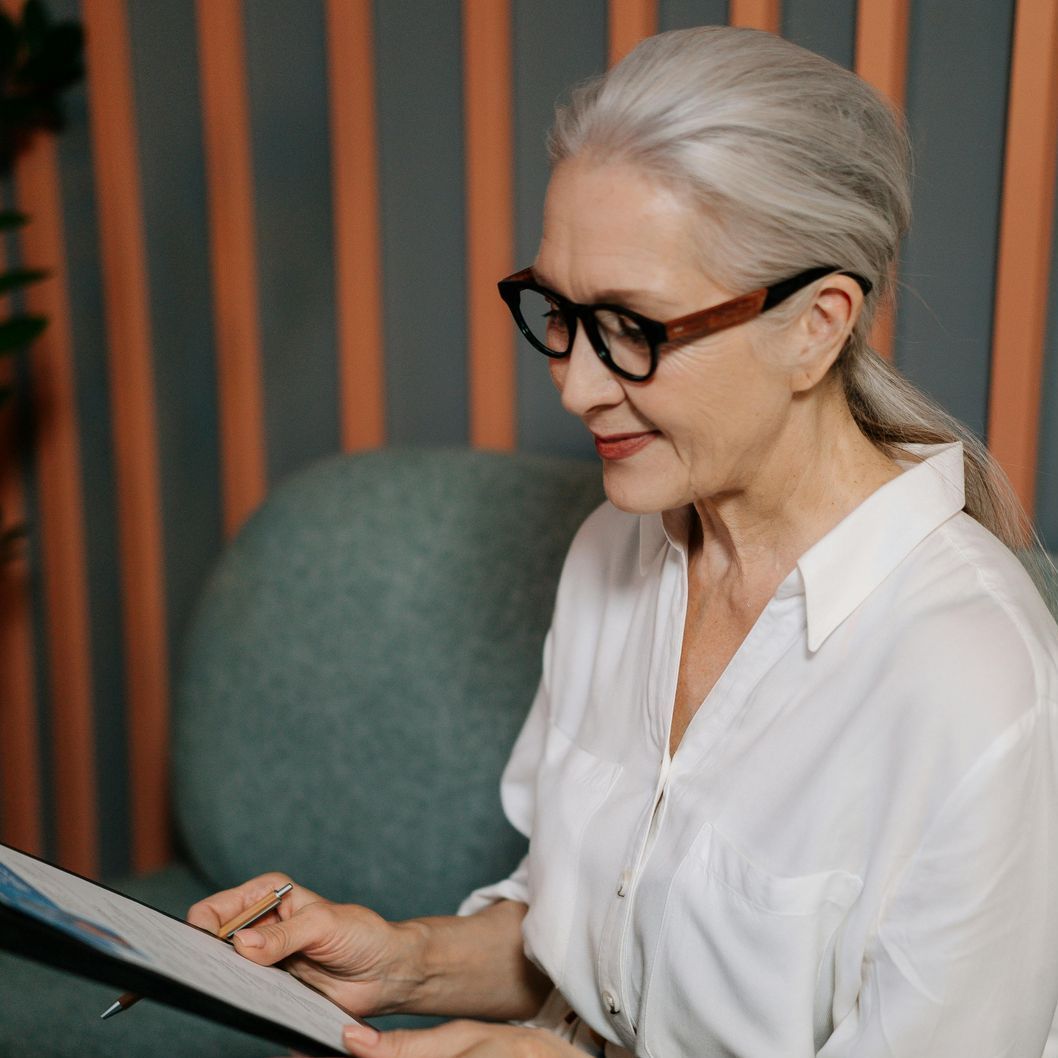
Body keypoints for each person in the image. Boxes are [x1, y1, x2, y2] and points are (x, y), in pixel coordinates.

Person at [189, 26, 1058, 1058]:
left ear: (817, 324)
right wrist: (406, 957)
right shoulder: (614, 549)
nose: (573, 382)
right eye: (557, 309)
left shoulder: (974, 680)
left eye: (633, 326)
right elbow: (585, 939)